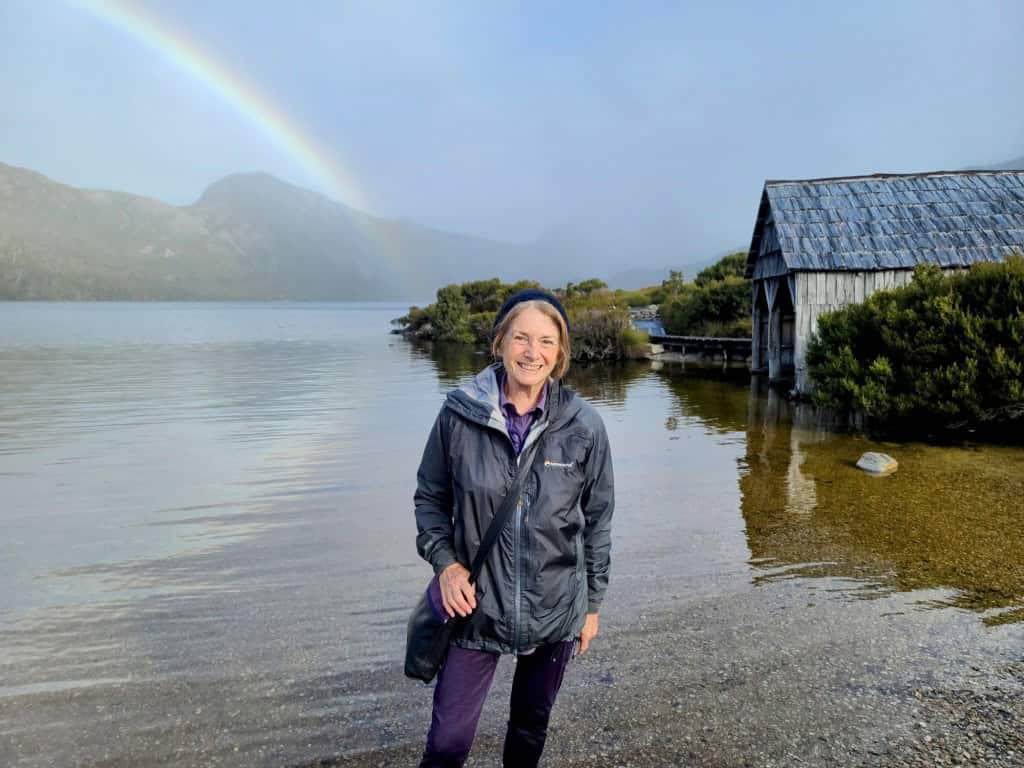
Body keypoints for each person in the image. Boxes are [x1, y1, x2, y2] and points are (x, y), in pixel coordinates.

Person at [414, 289, 614, 767]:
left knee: (529, 730)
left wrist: (592, 604)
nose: (533, 352)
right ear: (500, 342)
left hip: (556, 608)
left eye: (546, 341)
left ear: (560, 352)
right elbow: (429, 500)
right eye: (521, 337)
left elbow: (598, 520)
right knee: (447, 744)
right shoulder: (459, 415)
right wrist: (446, 565)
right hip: (475, 607)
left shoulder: (584, 425)